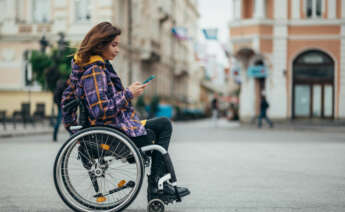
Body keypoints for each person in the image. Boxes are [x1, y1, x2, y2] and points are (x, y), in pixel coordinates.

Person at [61, 22, 189, 202]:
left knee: (163, 124)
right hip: (112, 132)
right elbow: (100, 110)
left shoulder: (98, 67)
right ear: (100, 45)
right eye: (114, 45)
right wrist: (128, 94)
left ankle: (158, 186)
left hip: (115, 127)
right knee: (162, 127)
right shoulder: (94, 71)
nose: (118, 49)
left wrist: (128, 93)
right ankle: (157, 188)